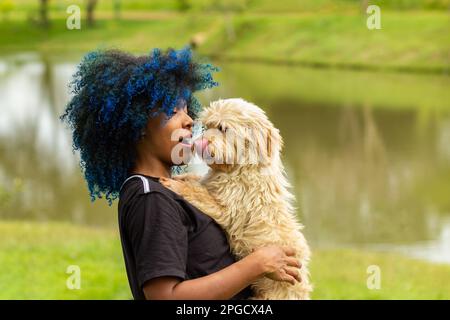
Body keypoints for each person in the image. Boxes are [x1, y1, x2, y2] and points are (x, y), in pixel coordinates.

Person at [61, 47, 302, 300]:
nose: (189, 120)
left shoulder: (170, 189)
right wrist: (256, 265)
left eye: (186, 109)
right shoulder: (150, 198)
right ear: (138, 124)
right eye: (173, 110)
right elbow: (165, 297)